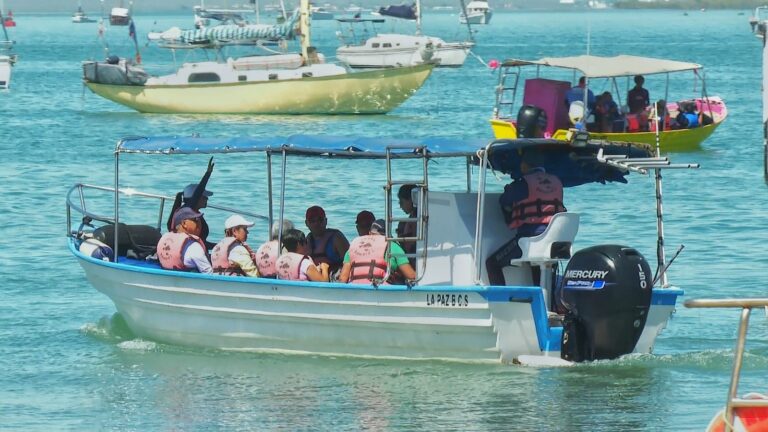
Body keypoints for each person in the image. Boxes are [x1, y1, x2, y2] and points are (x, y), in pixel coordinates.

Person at [485, 153, 566, 286]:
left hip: (531, 238)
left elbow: (504, 200)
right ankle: (545, 303)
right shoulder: (557, 181)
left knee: (492, 263)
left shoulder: (524, 183)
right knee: (537, 266)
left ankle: (501, 302)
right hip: (555, 239)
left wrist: (509, 189)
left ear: (523, 166)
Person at [340, 219, 416, 285]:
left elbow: (343, 278)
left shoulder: (355, 245)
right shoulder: (393, 245)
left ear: (369, 233)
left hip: (355, 288)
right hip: (381, 289)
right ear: (388, 234)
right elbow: (411, 276)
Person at [167, 157, 216, 249]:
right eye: (204, 196)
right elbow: (199, 190)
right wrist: (208, 173)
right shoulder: (187, 212)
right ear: (195, 198)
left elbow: (201, 242)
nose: (207, 199)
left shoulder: (182, 212)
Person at [157, 207, 213, 274]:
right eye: (196, 219)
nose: (200, 223)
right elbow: (209, 273)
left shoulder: (164, 239)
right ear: (184, 223)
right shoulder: (193, 246)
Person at [304, 205, 349, 274]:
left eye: (320, 220)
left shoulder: (336, 237)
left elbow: (349, 261)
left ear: (326, 221)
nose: (316, 223)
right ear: (306, 223)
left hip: (334, 279)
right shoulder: (306, 240)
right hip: (314, 279)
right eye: (312, 221)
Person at [395, 184, 418, 259]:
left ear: (410, 200)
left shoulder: (415, 218)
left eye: (401, 202)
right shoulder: (416, 215)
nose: (400, 206)